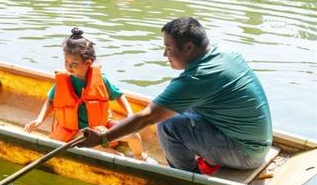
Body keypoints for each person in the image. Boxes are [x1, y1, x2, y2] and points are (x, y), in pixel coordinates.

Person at [79, 17, 273, 175]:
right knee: (175, 106)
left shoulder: (198, 78)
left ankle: (188, 178)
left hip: (247, 153)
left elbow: (148, 116)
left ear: (188, 47)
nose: (165, 54)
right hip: (258, 143)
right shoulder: (225, 52)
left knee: (168, 125)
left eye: (168, 48)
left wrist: (103, 138)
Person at [24, 28, 153, 161]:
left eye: (74, 64)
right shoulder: (65, 81)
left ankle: (140, 156)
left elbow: (119, 95)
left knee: (134, 136)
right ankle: (113, 153)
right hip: (77, 132)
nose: (68, 68)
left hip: (102, 127)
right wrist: (39, 120)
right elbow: (50, 101)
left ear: (88, 63)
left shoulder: (102, 80)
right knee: (105, 151)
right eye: (66, 63)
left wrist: (129, 113)